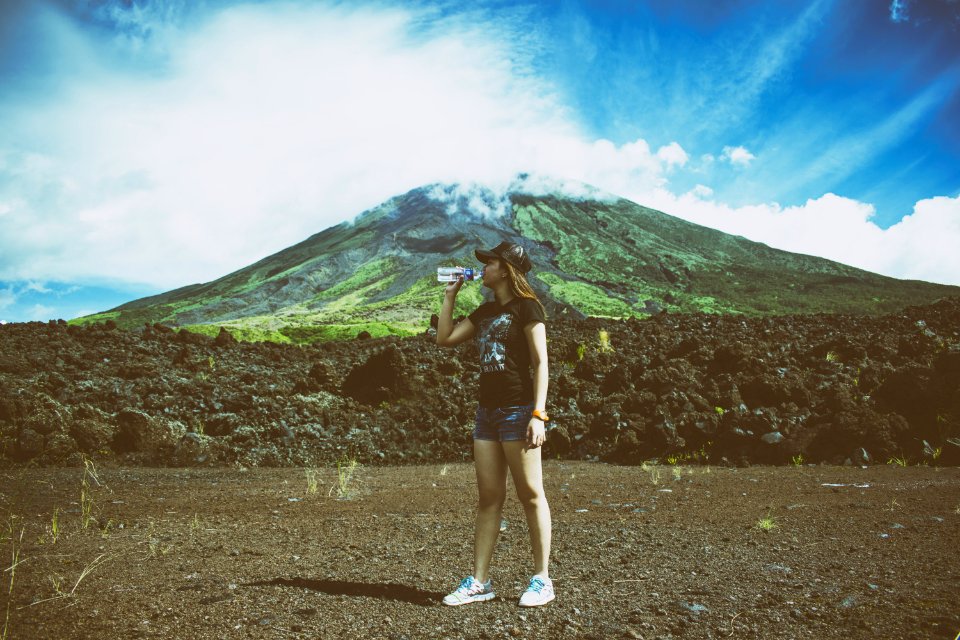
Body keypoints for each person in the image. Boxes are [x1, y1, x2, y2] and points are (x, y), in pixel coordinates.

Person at [436, 241, 555, 608]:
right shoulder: (485, 311)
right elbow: (445, 339)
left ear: (505, 269)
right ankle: (479, 582)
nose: (483, 269)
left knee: (531, 494)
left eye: (489, 263)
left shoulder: (527, 308)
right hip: (486, 414)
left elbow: (541, 363)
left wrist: (539, 414)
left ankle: (542, 579)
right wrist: (450, 298)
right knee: (489, 499)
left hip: (519, 411)